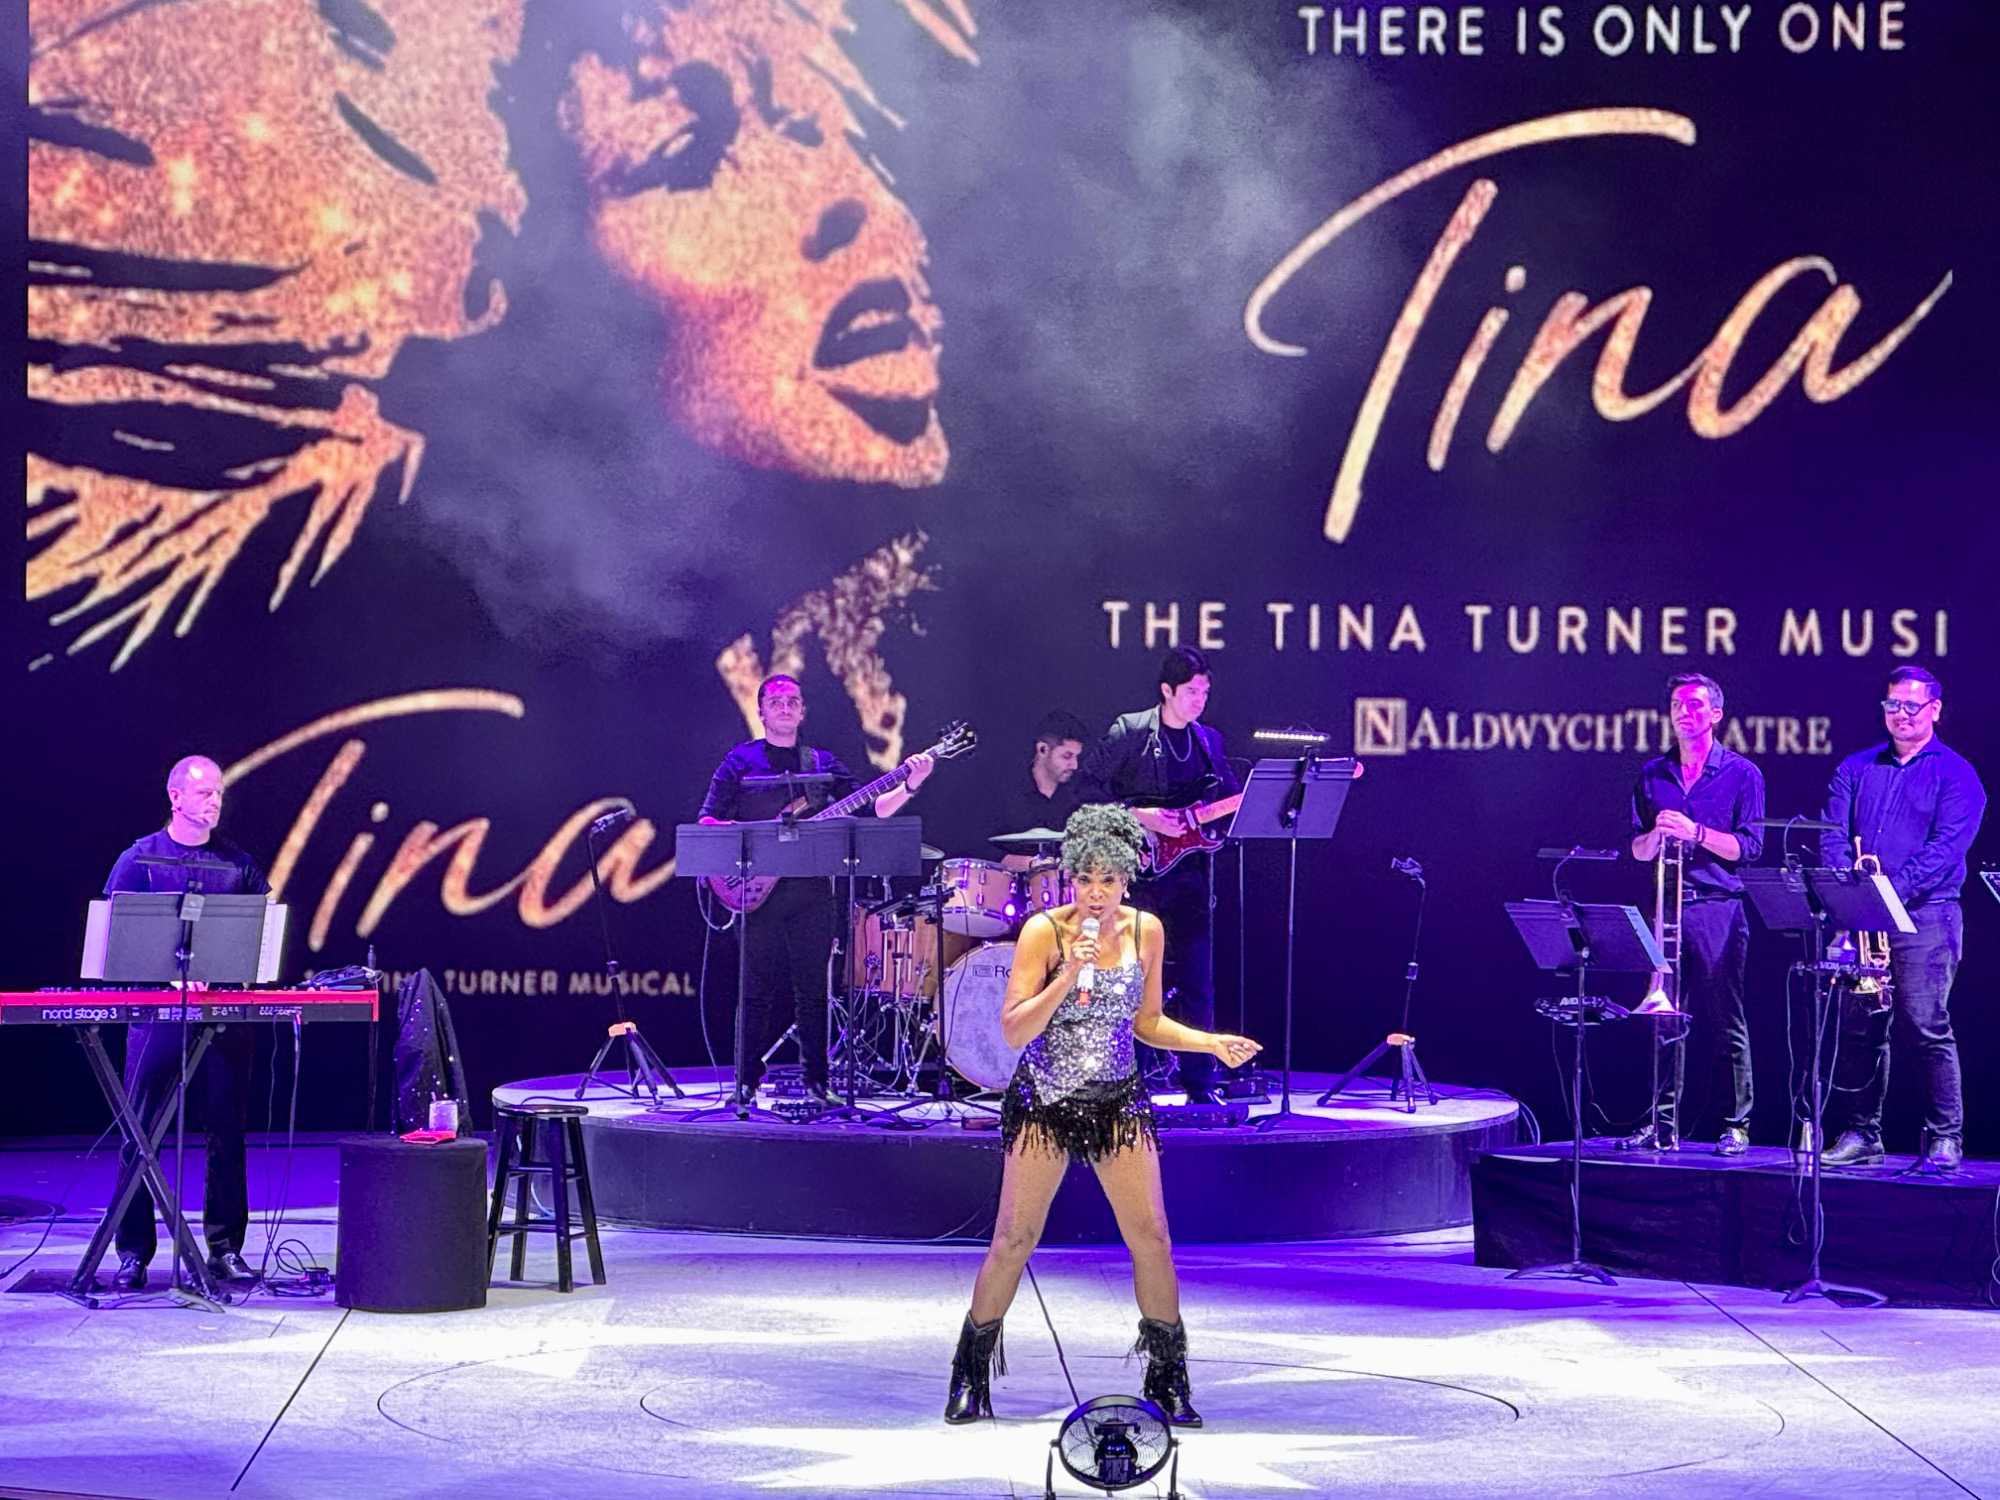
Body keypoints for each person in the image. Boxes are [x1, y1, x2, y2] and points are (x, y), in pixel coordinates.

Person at [944, 805, 1260, 1427]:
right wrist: (1068, 974)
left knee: (1153, 1238)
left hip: (1117, 1098)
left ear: (1126, 880)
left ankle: (1167, 1378)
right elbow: (1014, 1031)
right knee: (1014, 1239)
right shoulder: (1044, 932)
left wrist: (1209, 1043)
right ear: (1070, 877)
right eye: (1085, 879)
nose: (1095, 893)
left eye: (1108, 880)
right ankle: (969, 1374)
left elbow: (1148, 1023)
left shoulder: (1147, 931)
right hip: (1046, 1100)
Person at [698, 673, 932, 1101]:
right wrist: (751, 836)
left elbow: (873, 809)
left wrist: (911, 783)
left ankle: (817, 1082)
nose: (785, 707)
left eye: (793, 701)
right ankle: (745, 1081)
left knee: (814, 991)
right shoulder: (739, 762)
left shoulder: (821, 764)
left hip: (812, 894)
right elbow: (707, 820)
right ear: (761, 711)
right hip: (756, 895)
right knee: (755, 991)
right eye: (776, 701)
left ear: (803, 711)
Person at [103, 756, 272, 1289]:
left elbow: (263, 939)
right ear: (175, 796)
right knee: (140, 1131)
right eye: (204, 793)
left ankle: (225, 1248)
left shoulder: (238, 865)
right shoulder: (140, 859)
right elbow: (115, 942)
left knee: (227, 1132)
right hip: (158, 1015)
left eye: (219, 792)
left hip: (222, 1017)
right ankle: (133, 1252)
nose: (215, 801)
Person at [1819, 666, 1986, 1173]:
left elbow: (1944, 851)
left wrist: (1886, 892)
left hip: (1927, 915)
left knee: (1926, 1024)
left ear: (1936, 709)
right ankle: (1862, 1132)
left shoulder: (1957, 775)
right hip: (1865, 914)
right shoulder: (1856, 767)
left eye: (1911, 706)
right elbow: (1832, 833)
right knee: (1861, 1027)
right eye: (1892, 705)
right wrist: (1853, 893)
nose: (1901, 715)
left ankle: (1946, 1136)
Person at [1076, 647, 1240, 1103]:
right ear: (1166, 690)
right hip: (1141, 877)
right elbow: (1085, 789)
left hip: (1191, 879)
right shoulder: (1130, 730)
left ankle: (1200, 1083)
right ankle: (1132, 1082)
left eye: (1205, 692)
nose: (1199, 701)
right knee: (1134, 979)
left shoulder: (1209, 742)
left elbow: (1228, 799)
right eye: (1191, 692)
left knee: (1198, 982)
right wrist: (1139, 816)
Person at [1624, 673, 1766, 1155]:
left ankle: (1736, 1124)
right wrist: (1656, 837)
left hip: (1717, 908)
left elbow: (1749, 848)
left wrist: (1695, 833)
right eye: (1677, 705)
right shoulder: (1652, 774)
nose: (1684, 713)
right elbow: (1637, 848)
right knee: (1664, 1019)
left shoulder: (1742, 774)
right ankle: (1662, 1124)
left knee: (1726, 1018)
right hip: (1667, 905)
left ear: (1716, 715)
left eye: (1695, 705)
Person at [993, 709, 1090, 870]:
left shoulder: (1077, 799)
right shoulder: (1005, 793)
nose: (1074, 765)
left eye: (1076, 757)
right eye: (1067, 756)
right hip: (1008, 882)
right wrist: (1030, 864)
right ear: (1043, 749)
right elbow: (978, 848)